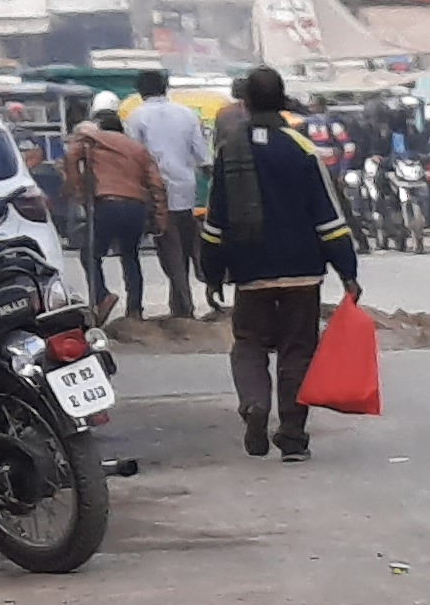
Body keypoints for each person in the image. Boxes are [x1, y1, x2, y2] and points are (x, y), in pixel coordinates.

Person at [197, 64, 361, 462]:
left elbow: (215, 220)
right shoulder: (302, 149)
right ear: (284, 100)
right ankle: (291, 435)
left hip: (250, 272)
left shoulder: (229, 149)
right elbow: (328, 217)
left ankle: (254, 403)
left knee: (249, 343)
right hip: (302, 272)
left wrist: (212, 273)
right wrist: (348, 272)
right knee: (297, 350)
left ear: (246, 102)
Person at [67, 102, 167, 320]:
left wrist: (81, 195)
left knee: (90, 254)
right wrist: (159, 217)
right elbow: (156, 183)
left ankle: (102, 297)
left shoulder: (92, 142)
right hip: (136, 206)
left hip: (107, 203)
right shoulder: (138, 149)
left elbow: (71, 159)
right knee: (130, 256)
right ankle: (135, 310)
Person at [125, 68, 212, 314]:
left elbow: (135, 156)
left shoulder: (136, 117)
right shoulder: (187, 114)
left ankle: (183, 305)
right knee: (183, 246)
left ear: (140, 91)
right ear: (166, 88)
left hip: (156, 192)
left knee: (169, 247)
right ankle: (182, 302)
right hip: (186, 189)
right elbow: (203, 156)